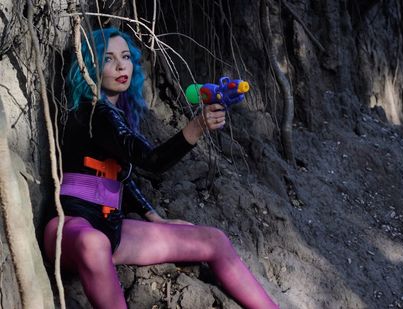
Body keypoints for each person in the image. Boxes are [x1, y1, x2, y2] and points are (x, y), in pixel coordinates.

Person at [43, 27, 279, 309]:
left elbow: (119, 175)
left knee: (214, 240)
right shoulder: (92, 112)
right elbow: (152, 163)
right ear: (90, 67)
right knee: (93, 244)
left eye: (126, 56)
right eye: (108, 59)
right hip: (70, 227)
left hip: (111, 230)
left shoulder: (118, 115)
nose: (121, 65)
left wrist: (155, 219)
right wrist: (197, 126)